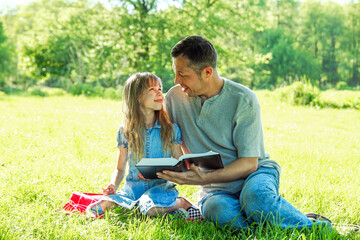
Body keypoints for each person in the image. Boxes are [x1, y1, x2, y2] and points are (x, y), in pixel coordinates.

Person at [158, 35, 332, 231]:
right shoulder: (174, 98)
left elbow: (250, 163)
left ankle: (323, 229)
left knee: (255, 198)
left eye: (183, 74)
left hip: (255, 174)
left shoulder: (244, 99)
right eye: (175, 73)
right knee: (218, 210)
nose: (176, 80)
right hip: (215, 190)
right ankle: (275, 220)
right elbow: (165, 139)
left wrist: (203, 178)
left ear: (207, 72)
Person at [88, 72, 195, 218]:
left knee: (149, 208)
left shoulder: (170, 130)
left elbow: (180, 165)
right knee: (99, 207)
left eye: (159, 88)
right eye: (152, 89)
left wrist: (157, 172)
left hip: (160, 189)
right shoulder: (125, 131)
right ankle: (149, 209)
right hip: (132, 190)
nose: (159, 92)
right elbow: (120, 169)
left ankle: (181, 203)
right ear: (137, 97)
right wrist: (113, 185)